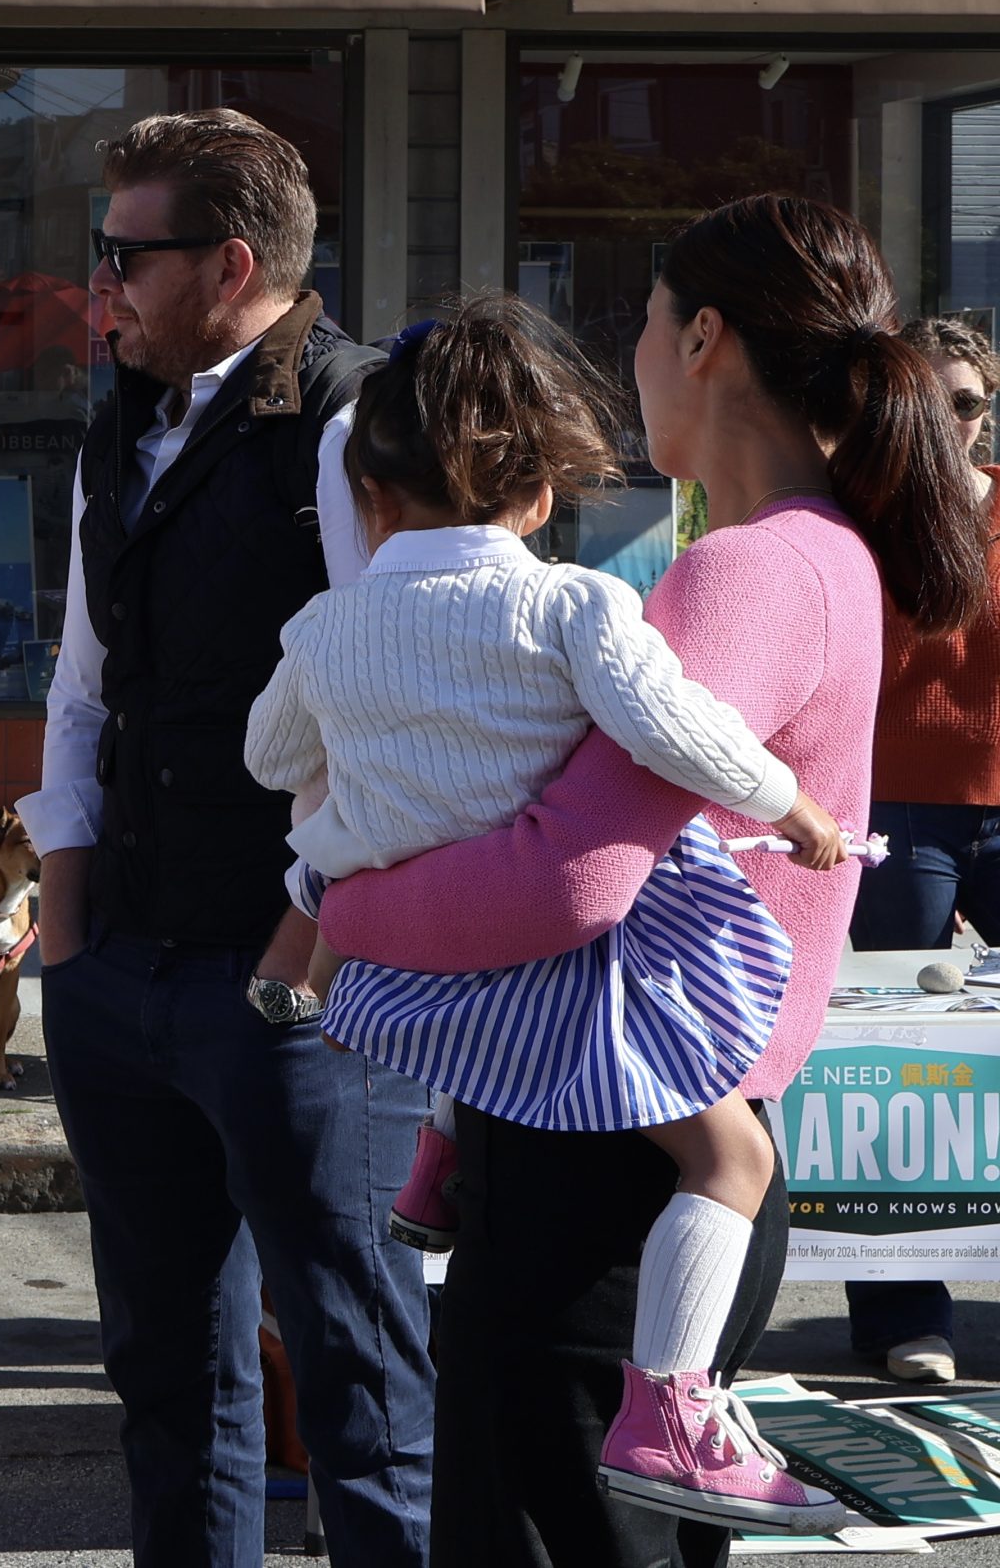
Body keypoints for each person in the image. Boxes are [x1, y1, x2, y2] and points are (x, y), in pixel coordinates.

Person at [315, 195, 987, 1568]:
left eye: (640, 321)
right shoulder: (814, 552)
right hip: (651, 1159)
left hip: (606, 1181)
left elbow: (562, 881)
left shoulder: (744, 573)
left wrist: (340, 913)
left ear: (705, 339)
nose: (627, 354)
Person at [246, 295, 852, 1533]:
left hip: (426, 964)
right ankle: (670, 1409)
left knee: (479, 1051)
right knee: (731, 1156)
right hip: (579, 966)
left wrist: (358, 753)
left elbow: (267, 757)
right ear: (535, 499)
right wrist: (789, 804)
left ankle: (436, 1165)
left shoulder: (320, 631)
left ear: (366, 497)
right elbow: (675, 732)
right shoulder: (573, 606)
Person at [16, 107, 431, 1566]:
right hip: (125, 965)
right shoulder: (120, 421)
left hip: (292, 989)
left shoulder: (343, 423)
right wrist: (71, 948)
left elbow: (403, 722)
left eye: (127, 253)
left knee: (362, 1380)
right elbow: (83, 693)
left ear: (231, 264)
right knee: (171, 1386)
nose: (104, 283)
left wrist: (299, 947)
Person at [840, 316, 1000, 1385]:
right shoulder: (859, 521)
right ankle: (905, 1316)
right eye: (928, 401)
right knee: (892, 1063)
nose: (948, 423)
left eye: (968, 404)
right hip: (894, 807)